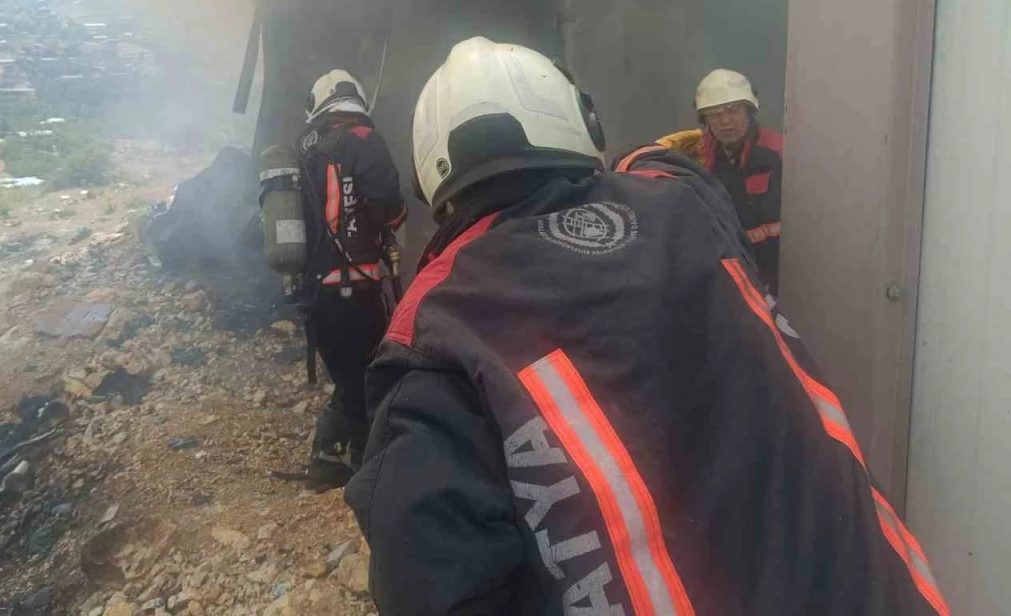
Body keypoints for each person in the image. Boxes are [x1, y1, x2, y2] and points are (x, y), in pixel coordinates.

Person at [346, 37, 948, 616]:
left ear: (431, 183)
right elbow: (675, 173)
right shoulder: (685, 207)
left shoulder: (437, 329)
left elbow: (430, 580)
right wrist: (635, 158)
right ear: (585, 126)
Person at [295, 69, 406, 487]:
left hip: (315, 295)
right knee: (368, 374)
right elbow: (390, 206)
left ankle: (336, 459)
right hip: (355, 288)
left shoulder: (307, 150)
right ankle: (360, 463)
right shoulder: (362, 139)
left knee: (348, 376)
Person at [690, 68, 783, 293]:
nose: (725, 121)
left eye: (733, 110)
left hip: (778, 274)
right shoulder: (698, 157)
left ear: (750, 110)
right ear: (705, 120)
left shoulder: (780, 153)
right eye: (714, 114)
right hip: (729, 274)